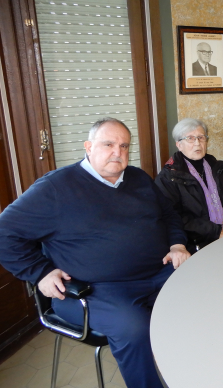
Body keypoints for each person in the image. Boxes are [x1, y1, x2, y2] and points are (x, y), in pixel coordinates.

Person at [0, 117, 190, 388]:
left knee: (202, 293)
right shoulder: (55, 188)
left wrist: (177, 245)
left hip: (156, 273)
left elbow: (169, 215)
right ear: (88, 147)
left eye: (124, 146)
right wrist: (39, 272)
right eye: (109, 144)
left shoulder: (138, 178)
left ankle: (197, 372)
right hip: (94, 291)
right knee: (133, 328)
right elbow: (4, 232)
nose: (118, 152)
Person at [155, 118, 223, 252]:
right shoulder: (169, 176)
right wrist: (215, 231)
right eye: (190, 138)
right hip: (197, 242)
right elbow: (174, 217)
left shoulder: (214, 166)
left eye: (201, 137)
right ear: (179, 144)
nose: (197, 143)